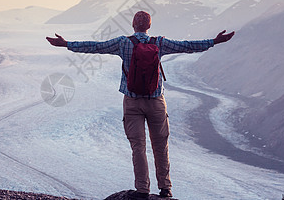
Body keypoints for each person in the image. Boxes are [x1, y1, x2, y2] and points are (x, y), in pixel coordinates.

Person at [46, 11, 234, 198]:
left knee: (138, 146)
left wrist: (67, 44)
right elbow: (187, 46)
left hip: (132, 102)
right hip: (156, 102)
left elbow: (96, 47)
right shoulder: (159, 42)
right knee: (161, 146)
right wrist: (214, 41)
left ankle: (142, 189)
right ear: (149, 26)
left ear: (133, 24)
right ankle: (165, 188)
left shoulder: (123, 43)